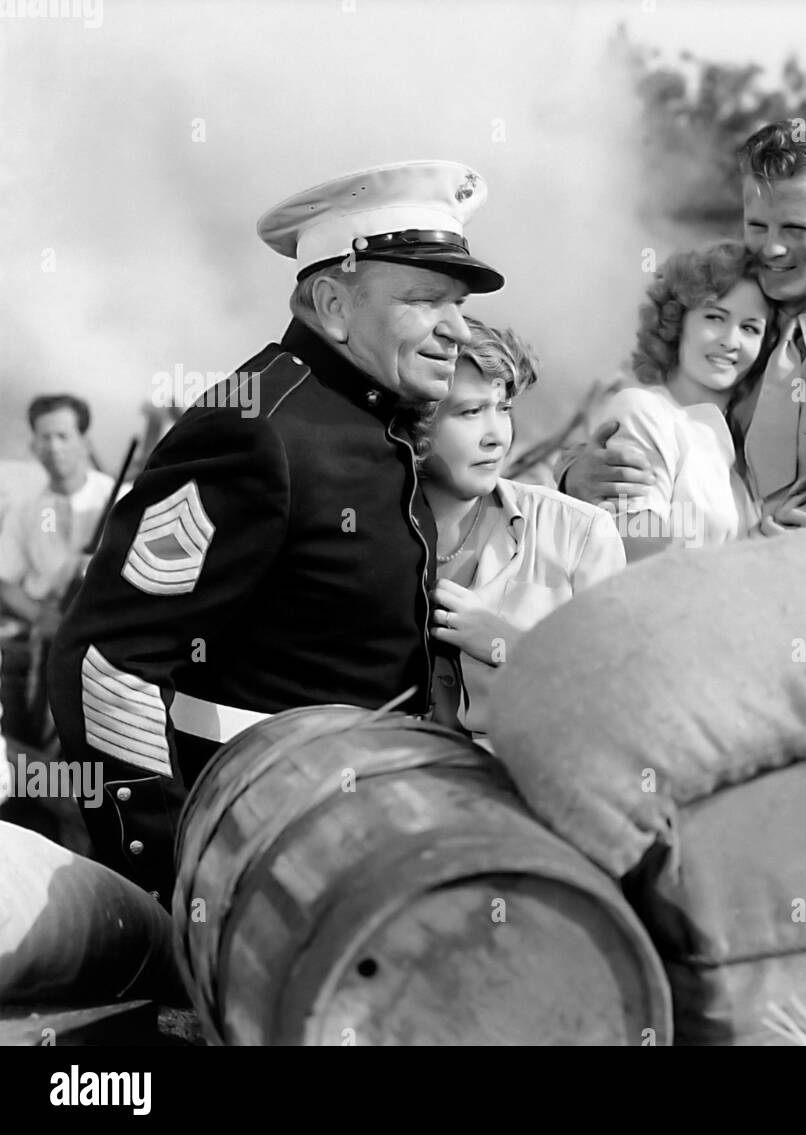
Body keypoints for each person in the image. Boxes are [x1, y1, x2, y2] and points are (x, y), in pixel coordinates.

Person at [47, 160, 505, 899]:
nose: (456, 328)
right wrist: (174, 872)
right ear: (331, 303)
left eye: (456, 302)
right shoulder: (255, 426)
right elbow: (107, 659)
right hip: (266, 851)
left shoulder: (372, 415)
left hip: (363, 834)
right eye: (424, 300)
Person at [562, 120, 806, 533]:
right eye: (757, 226)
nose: (773, 247)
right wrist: (576, 475)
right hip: (711, 582)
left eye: (795, 228)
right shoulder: (714, 330)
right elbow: (638, 413)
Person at [407, 317, 625, 748]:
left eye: (503, 409)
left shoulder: (580, 534)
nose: (497, 437)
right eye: (471, 412)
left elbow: (625, 697)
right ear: (415, 426)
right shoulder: (371, 533)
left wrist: (510, 648)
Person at [599, 241, 775, 559]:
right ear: (676, 321)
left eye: (750, 328)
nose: (730, 341)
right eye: (714, 317)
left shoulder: (738, 447)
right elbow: (639, 552)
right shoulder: (643, 411)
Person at [0, 396, 117, 746]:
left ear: (84, 441)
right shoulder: (27, 510)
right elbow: (6, 582)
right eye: (45, 437)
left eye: (63, 436)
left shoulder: (121, 498)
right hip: (45, 646)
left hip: (104, 650)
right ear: (34, 444)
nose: (54, 447)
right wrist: (41, 617)